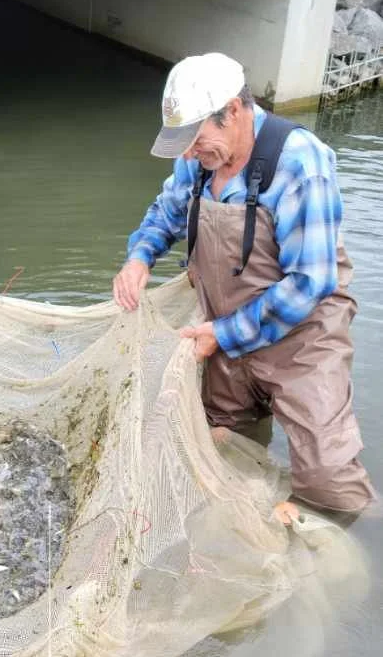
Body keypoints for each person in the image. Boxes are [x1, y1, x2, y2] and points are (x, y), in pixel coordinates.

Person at [113, 53, 374, 520]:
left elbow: (310, 282)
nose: (191, 153)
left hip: (301, 340)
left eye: (196, 139)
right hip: (223, 340)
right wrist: (139, 257)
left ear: (233, 111)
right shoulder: (200, 162)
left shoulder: (300, 163)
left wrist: (223, 334)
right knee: (221, 450)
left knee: (329, 485)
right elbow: (166, 213)